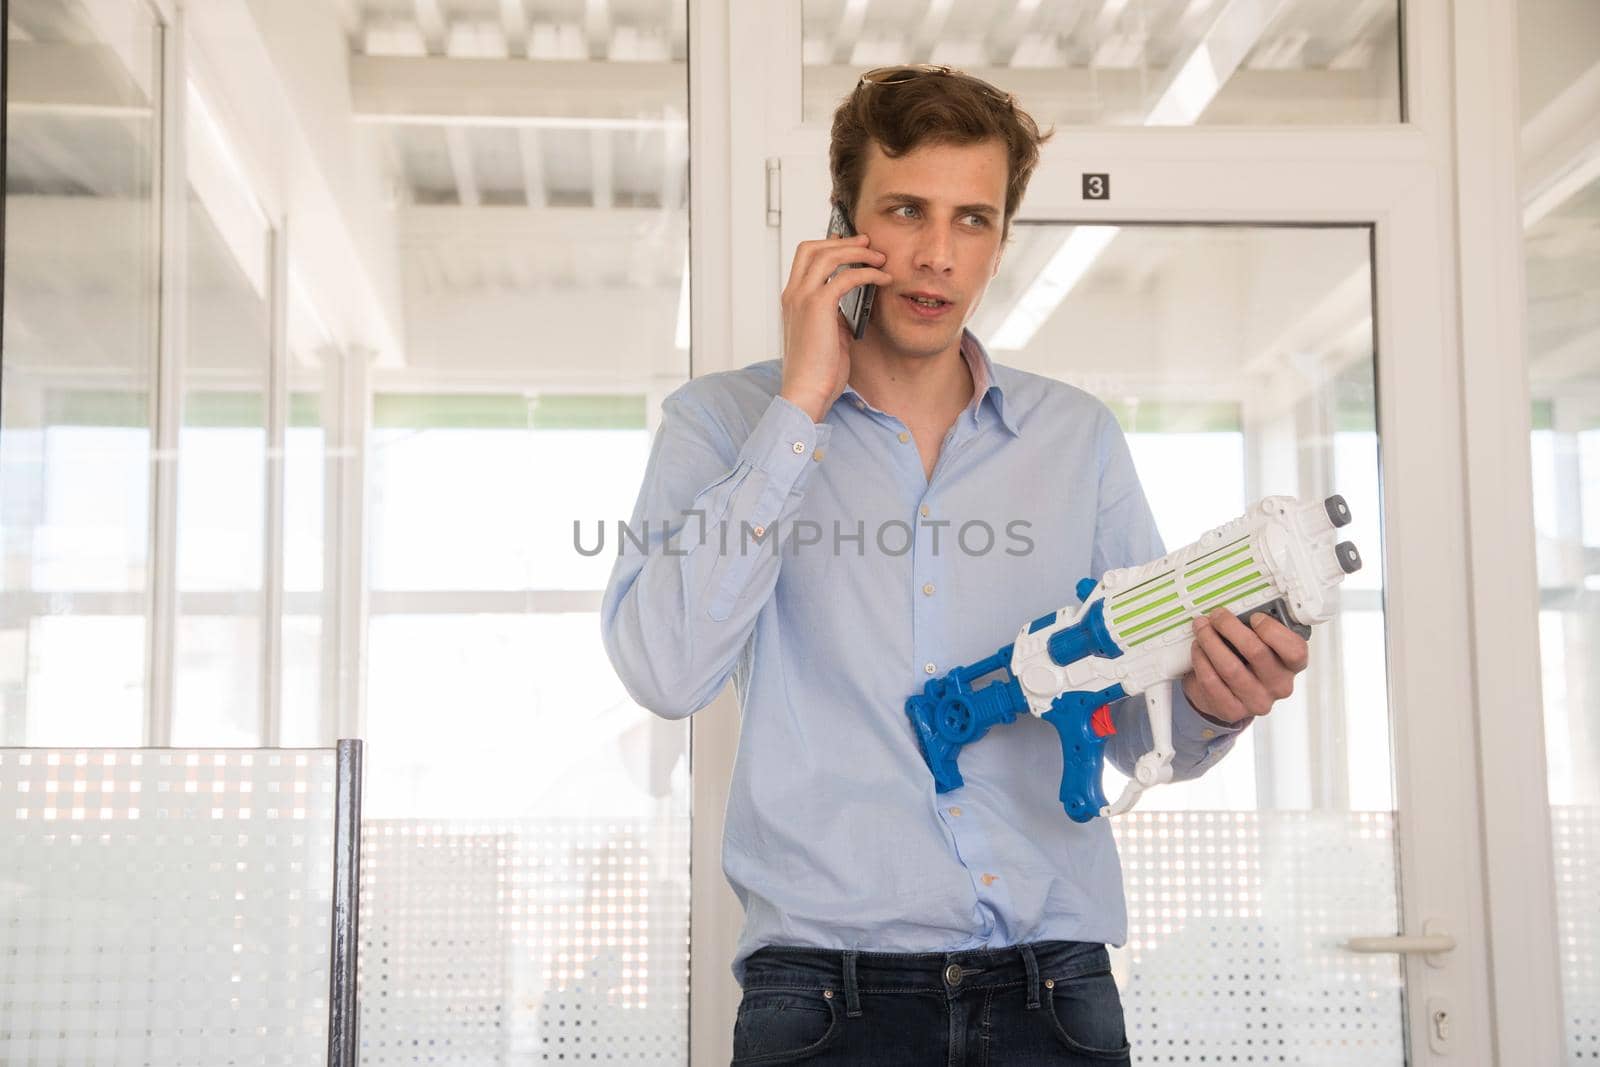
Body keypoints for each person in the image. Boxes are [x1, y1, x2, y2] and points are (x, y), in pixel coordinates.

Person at [600, 65, 1310, 1066]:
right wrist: (799, 407)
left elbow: (1148, 726)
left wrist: (1219, 698)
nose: (937, 255)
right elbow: (664, 671)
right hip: (823, 1001)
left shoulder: (1077, 439)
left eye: (972, 219)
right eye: (905, 211)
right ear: (842, 221)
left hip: (1053, 989)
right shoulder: (722, 424)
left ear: (1001, 239)